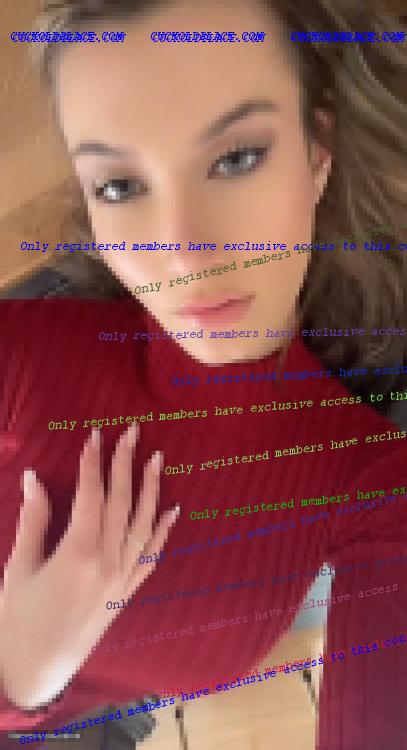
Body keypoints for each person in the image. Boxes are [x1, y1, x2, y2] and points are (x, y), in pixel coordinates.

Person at [1, 0, 407, 748]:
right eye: (119, 186)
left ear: (317, 153)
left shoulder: (372, 482)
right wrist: (17, 681)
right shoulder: (17, 351)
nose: (184, 254)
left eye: (236, 158)